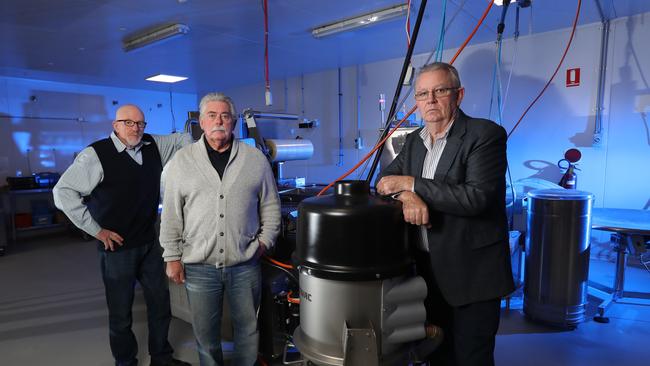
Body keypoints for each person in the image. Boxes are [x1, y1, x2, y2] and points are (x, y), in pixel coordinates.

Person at [377, 62, 514, 366]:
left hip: (473, 274)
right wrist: (408, 195)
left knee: (471, 357)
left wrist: (413, 184)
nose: (430, 100)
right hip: (428, 273)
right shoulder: (414, 141)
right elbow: (386, 182)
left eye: (440, 91)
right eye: (423, 93)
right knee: (436, 350)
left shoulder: (484, 134)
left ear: (458, 95)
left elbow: (476, 198)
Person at [53, 104, 191, 366]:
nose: (136, 128)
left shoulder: (152, 144)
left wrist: (202, 146)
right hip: (117, 247)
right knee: (120, 313)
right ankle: (125, 362)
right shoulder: (95, 155)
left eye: (140, 123)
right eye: (129, 123)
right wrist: (96, 230)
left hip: (150, 243)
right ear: (115, 125)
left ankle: (161, 357)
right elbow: (63, 192)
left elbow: (183, 138)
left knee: (160, 304)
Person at [160, 92, 281, 366]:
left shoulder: (255, 160)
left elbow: (271, 207)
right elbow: (171, 215)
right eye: (212, 116)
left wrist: (263, 243)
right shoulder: (182, 161)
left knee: (248, 330)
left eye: (225, 116)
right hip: (199, 266)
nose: (219, 121)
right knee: (205, 334)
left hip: (245, 264)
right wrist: (171, 257)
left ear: (234, 123)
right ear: (201, 123)